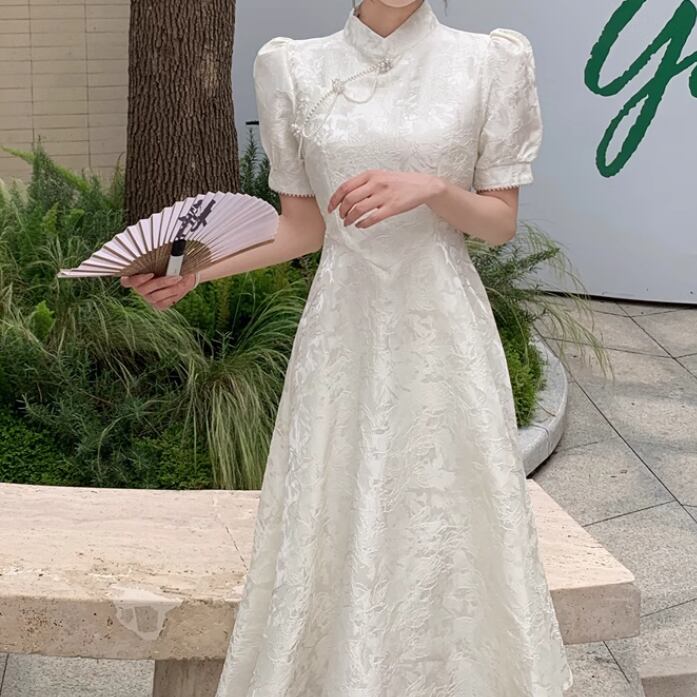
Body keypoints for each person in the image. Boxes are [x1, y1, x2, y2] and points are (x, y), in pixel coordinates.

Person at [121, 1, 574, 694]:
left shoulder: (488, 61)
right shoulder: (293, 67)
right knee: (333, 499)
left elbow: (498, 224)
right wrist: (190, 271)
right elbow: (302, 229)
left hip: (442, 330)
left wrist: (433, 189)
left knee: (447, 505)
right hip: (343, 330)